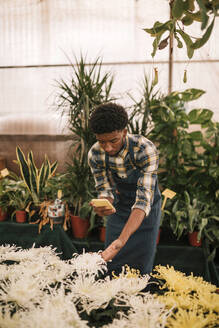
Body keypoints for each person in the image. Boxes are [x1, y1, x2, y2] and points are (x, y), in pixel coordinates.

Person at [88, 102, 161, 276]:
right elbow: (105, 189)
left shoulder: (144, 149)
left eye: (113, 140)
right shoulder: (95, 154)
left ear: (124, 132)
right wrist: (105, 204)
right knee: (112, 264)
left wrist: (121, 240)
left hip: (145, 212)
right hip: (120, 208)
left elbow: (143, 200)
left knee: (140, 267)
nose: (108, 148)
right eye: (101, 141)